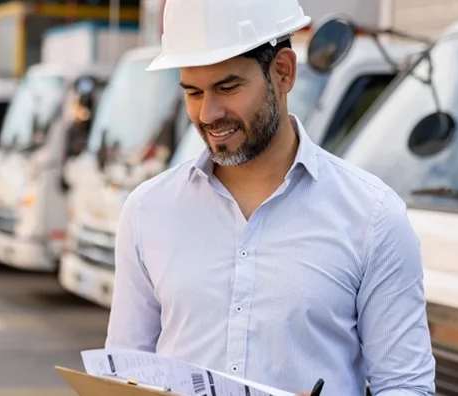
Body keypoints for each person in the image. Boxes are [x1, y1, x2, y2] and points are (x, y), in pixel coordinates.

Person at [103, 0, 437, 395]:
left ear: (283, 72)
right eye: (193, 92)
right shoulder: (147, 212)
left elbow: (405, 386)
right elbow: (123, 374)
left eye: (227, 87)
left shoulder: (373, 218)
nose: (208, 114)